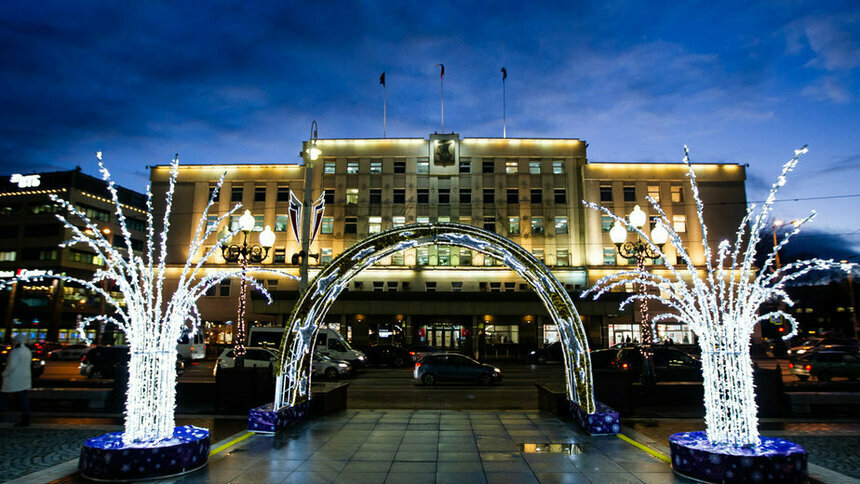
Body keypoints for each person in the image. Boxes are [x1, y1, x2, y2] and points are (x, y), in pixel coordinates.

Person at [1, 334, 32, 426]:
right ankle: (26, 417)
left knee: (3, 396)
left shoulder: (15, 351)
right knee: (23, 397)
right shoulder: (27, 351)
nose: (13, 342)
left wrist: (4, 374)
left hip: (13, 378)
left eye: (14, 340)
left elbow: (11, 366)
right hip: (24, 378)